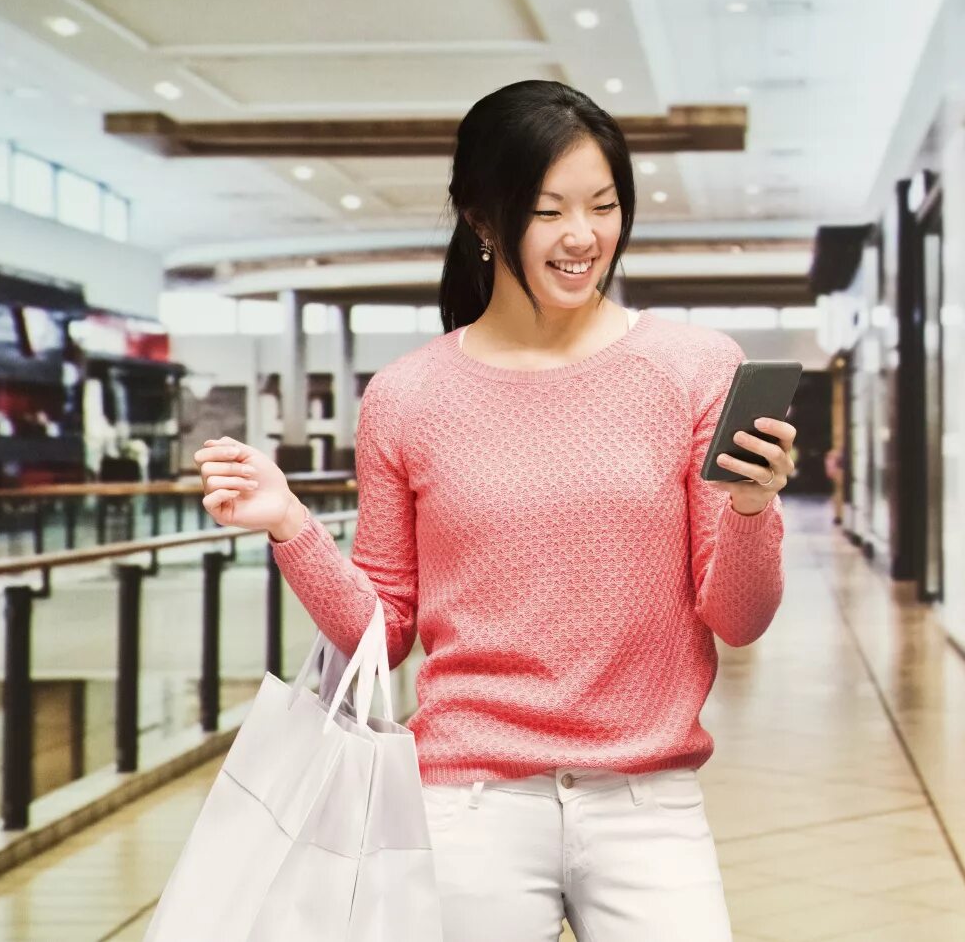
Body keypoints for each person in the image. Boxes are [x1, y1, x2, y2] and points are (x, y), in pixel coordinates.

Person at [193, 80, 795, 941]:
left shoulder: (696, 368)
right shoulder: (407, 397)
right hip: (465, 803)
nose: (583, 236)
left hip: (648, 800)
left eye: (604, 205)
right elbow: (384, 630)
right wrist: (290, 523)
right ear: (482, 217)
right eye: (549, 210)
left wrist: (749, 508)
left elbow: (738, 618)